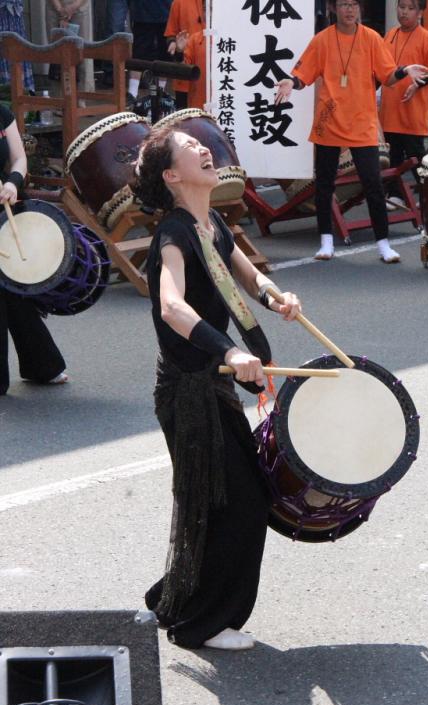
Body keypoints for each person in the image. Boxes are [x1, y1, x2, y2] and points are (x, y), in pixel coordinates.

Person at [133, 123, 301, 650]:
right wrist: (228, 349)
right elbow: (171, 305)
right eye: (188, 148)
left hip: (213, 382)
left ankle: (176, 599)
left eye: (199, 143)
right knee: (235, 502)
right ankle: (200, 624)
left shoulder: (212, 227)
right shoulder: (174, 235)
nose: (203, 148)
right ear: (171, 175)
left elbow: (248, 276)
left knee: (225, 498)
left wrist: (277, 297)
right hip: (189, 389)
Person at [275, 0, 428, 263]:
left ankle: (383, 244)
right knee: (324, 185)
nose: (349, 9)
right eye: (344, 4)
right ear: (334, 9)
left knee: (373, 185)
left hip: (362, 123)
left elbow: (388, 75)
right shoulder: (322, 40)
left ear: (360, 9)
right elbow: (304, 74)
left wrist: (404, 71)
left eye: (354, 4)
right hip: (329, 123)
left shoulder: (370, 38)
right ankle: (326, 241)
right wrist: (292, 81)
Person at [0, 104, 67, 396]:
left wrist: (14, 183)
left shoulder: (2, 113)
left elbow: (18, 158)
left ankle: (42, 365)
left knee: (17, 286)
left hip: (9, 204)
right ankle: (42, 365)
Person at [380, 0, 428, 204]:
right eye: (401, 7)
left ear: (419, 12)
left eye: (410, 8)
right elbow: (381, 68)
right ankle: (396, 195)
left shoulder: (427, 38)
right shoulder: (390, 35)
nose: (404, 12)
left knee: (416, 155)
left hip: (413, 110)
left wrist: (417, 84)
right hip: (390, 108)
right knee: (394, 156)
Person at [128, 0, 172, 104]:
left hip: (166, 10)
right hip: (142, 11)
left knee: (164, 53)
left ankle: (161, 91)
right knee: (138, 53)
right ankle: (132, 93)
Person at [165, 0, 205, 109]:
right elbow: (171, 33)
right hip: (185, 70)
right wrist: (174, 44)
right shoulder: (179, 2)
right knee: (186, 122)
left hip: (213, 77)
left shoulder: (224, 5)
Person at [46, 0, 94, 90]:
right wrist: (59, 8)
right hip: (54, 7)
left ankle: (81, 98)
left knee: (81, 54)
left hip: (80, 7)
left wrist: (73, 6)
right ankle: (58, 98)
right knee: (56, 55)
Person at [0, 0, 34, 93]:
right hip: (3, 15)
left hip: (15, 18)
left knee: (17, 48)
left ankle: (23, 91)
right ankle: (6, 90)